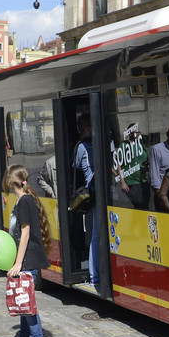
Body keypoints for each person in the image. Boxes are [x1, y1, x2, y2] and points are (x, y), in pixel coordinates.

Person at [0, 164, 51, 337]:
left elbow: (25, 233)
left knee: (27, 305)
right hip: (25, 259)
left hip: (28, 260)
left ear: (9, 181)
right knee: (23, 303)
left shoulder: (24, 202)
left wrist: (18, 263)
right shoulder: (23, 200)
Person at [71, 115, 99, 285]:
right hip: (99, 192)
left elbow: (74, 165)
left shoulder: (81, 146)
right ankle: (95, 274)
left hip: (93, 193)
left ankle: (94, 275)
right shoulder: (102, 142)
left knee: (94, 235)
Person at [112, 122, 150, 209]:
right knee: (139, 206)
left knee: (145, 207)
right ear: (130, 133)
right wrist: (122, 182)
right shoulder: (124, 145)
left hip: (143, 181)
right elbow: (118, 164)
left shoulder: (141, 145)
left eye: (139, 132)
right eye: (136, 132)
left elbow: (145, 159)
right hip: (131, 182)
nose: (138, 134)